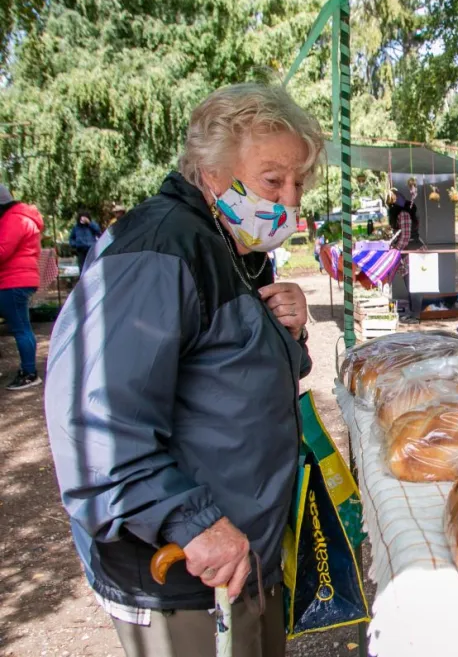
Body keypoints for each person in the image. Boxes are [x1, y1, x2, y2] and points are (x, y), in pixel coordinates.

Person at [45, 83, 322, 657]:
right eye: (274, 180)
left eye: (299, 183)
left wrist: (289, 330)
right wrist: (191, 521)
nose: (290, 200)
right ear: (211, 169)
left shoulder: (231, 245)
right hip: (179, 573)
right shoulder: (162, 246)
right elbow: (94, 419)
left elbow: (229, 372)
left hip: (236, 558)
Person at [0, 184, 44, 390]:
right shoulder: (21, 217)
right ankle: (28, 370)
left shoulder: (14, 219)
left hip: (13, 281)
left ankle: (29, 373)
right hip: (19, 280)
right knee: (21, 327)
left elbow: (2, 250)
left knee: (20, 328)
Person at [389, 188, 427, 318]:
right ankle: (413, 313)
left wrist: (395, 251)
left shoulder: (403, 214)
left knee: (413, 285)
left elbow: (405, 236)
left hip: (412, 253)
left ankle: (416, 315)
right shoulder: (405, 213)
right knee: (412, 284)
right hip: (411, 251)